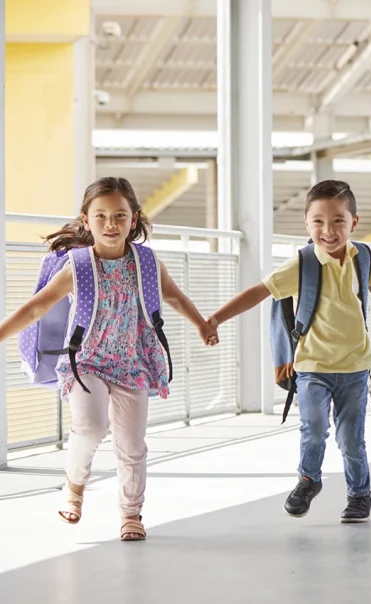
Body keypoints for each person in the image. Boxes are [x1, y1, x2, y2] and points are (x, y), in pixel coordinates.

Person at [0, 177, 218, 541]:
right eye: (100, 216)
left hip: (133, 361)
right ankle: (74, 484)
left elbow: (175, 297)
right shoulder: (78, 266)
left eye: (120, 215)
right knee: (90, 425)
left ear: (134, 220)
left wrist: (201, 323)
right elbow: (37, 306)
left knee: (132, 444)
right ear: (86, 220)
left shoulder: (147, 263)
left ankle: (131, 514)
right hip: (85, 362)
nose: (111, 224)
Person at [207, 180, 371, 523]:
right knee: (314, 427)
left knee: (351, 440)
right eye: (318, 221)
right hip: (312, 366)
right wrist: (215, 318)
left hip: (355, 367)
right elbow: (258, 293)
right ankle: (309, 479)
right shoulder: (300, 265)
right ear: (306, 222)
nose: (328, 230)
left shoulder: (362, 256)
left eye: (337, 221)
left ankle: (359, 494)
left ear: (354, 223)